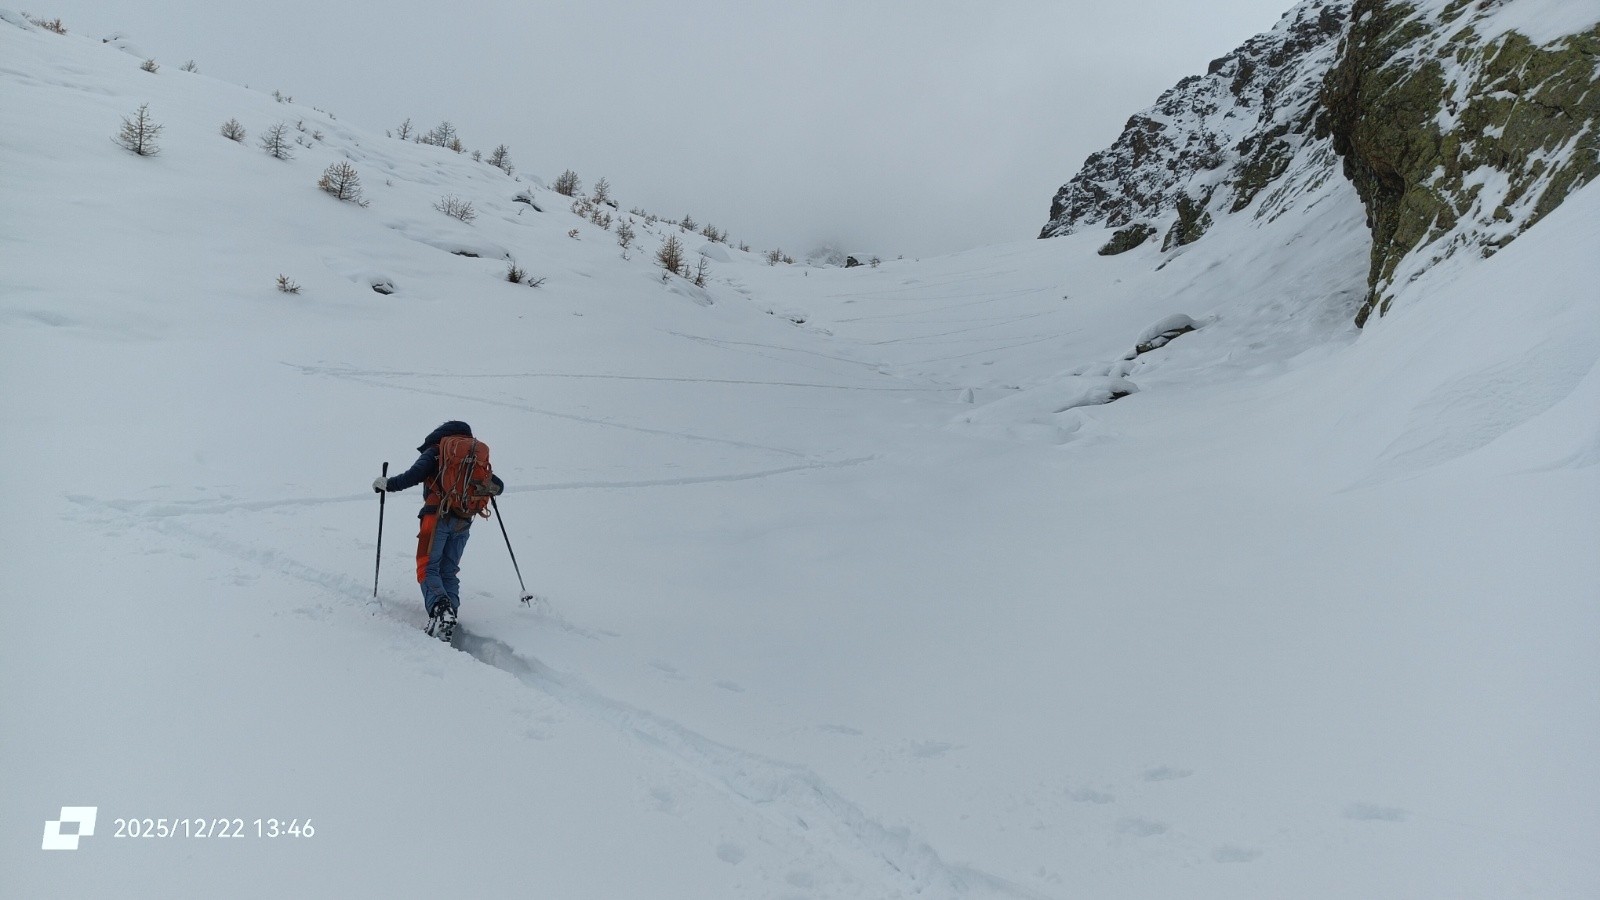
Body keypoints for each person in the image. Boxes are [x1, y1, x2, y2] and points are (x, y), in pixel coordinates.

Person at [372, 420, 503, 636]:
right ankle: (450, 613)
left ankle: (441, 612)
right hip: (464, 519)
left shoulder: (436, 451)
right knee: (448, 570)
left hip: (435, 517)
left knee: (427, 567)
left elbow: (412, 476)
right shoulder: (474, 457)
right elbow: (498, 486)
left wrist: (386, 484)